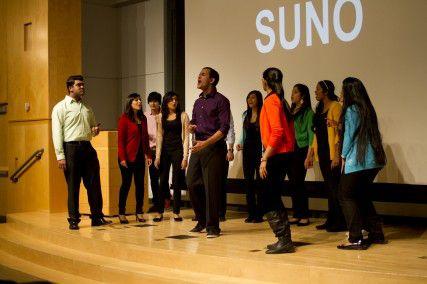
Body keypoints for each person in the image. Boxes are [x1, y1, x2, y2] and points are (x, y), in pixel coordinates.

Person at [52, 75, 112, 230]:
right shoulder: (60, 107)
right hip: (70, 149)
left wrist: (95, 130)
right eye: (79, 85)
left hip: (87, 148)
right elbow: (57, 133)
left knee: (94, 185)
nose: (82, 87)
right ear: (70, 88)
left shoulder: (87, 108)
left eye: (83, 85)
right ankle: (73, 220)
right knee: (73, 186)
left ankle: (97, 217)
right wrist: (60, 156)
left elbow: (92, 131)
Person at [337, 77, 387, 250]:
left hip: (357, 161)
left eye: (342, 89)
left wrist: (342, 156)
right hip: (373, 161)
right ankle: (376, 234)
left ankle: (355, 238)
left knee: (345, 196)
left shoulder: (351, 110)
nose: (340, 93)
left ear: (349, 91)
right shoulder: (366, 108)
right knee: (362, 196)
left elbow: (349, 136)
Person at [187, 67, 230, 238]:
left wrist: (206, 143)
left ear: (212, 80)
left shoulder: (221, 101)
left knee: (211, 188)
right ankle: (202, 220)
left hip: (213, 147)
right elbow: (194, 121)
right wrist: (191, 127)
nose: (198, 76)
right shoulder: (198, 102)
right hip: (199, 147)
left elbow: (224, 129)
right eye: (199, 74)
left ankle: (213, 227)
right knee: (191, 182)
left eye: (203, 74)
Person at [259, 67, 296, 254]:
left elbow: (278, 131)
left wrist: (265, 157)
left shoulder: (272, 100)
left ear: (265, 80)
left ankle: (284, 239)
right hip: (282, 154)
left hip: (277, 155)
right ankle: (284, 238)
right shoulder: (279, 100)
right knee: (270, 196)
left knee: (268, 197)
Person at [305, 80, 346, 232]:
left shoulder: (336, 106)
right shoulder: (319, 108)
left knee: (335, 188)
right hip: (321, 152)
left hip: (332, 154)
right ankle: (331, 220)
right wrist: (310, 154)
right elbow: (316, 134)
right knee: (329, 188)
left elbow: (339, 133)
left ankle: (340, 222)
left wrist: (336, 155)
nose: (315, 92)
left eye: (317, 90)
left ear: (326, 91)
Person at [154, 91, 189, 222]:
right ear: (166, 101)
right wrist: (157, 156)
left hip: (177, 150)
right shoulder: (160, 117)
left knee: (176, 180)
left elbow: (186, 137)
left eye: (176, 99)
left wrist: (185, 157)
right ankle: (159, 212)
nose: (174, 102)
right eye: (171, 99)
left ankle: (176, 212)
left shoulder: (183, 116)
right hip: (165, 151)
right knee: (162, 181)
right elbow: (159, 137)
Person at [117, 93, 152, 224]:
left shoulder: (143, 119)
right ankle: (121, 212)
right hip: (126, 157)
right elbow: (120, 141)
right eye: (136, 100)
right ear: (130, 103)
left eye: (139, 100)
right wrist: (122, 158)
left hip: (139, 157)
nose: (139, 102)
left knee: (140, 186)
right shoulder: (124, 119)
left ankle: (139, 212)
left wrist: (148, 154)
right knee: (126, 185)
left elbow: (145, 139)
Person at [236, 90, 264, 223]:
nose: (250, 100)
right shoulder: (245, 114)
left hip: (259, 149)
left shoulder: (263, 113)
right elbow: (244, 133)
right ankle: (251, 213)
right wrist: (240, 143)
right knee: (248, 182)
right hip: (247, 149)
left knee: (260, 182)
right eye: (248, 97)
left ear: (259, 99)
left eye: (253, 97)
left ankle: (259, 214)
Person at [288, 84, 314, 226]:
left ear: (303, 95)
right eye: (292, 92)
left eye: (296, 92)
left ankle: (304, 214)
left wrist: (309, 155)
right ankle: (296, 213)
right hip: (292, 149)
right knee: (293, 183)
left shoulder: (308, 112)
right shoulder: (291, 110)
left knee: (299, 182)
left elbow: (311, 135)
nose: (292, 95)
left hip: (302, 149)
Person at [144, 92, 163, 213]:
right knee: (153, 178)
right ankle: (157, 203)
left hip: (163, 150)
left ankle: (164, 200)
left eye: (155, 101)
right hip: (151, 151)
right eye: (150, 101)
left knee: (163, 177)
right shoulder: (145, 116)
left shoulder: (164, 115)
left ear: (159, 102)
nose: (153, 103)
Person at [219, 112, 235, 221]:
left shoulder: (224, 107)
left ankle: (221, 213)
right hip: (205, 146)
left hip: (221, 146)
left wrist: (230, 149)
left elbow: (230, 129)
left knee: (221, 181)